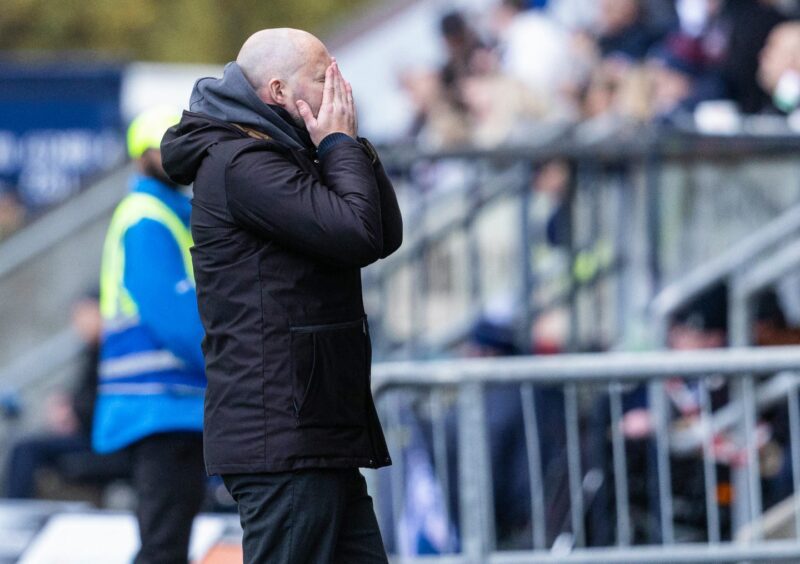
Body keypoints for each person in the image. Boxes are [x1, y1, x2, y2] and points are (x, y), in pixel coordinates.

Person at [160, 28, 403, 563]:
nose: (339, 87)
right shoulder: (241, 164)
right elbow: (357, 232)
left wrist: (349, 144)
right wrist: (338, 145)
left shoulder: (281, 150)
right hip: (281, 437)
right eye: (322, 77)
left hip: (315, 432)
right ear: (276, 91)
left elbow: (384, 234)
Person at [92, 107, 207, 564]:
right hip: (160, 406)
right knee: (164, 546)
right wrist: (228, 363)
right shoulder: (149, 216)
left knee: (166, 541)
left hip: (165, 405)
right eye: (165, 147)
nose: (175, 156)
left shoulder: (167, 212)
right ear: (142, 155)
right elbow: (172, 316)